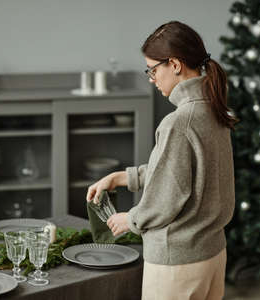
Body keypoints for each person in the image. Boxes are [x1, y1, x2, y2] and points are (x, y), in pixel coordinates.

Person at [86, 21, 237, 300]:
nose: (151, 79)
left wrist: (130, 219)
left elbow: (167, 196)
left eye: (153, 70)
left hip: (177, 263)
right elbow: (182, 172)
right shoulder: (214, 110)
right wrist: (121, 177)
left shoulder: (179, 122)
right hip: (213, 255)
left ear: (176, 65)